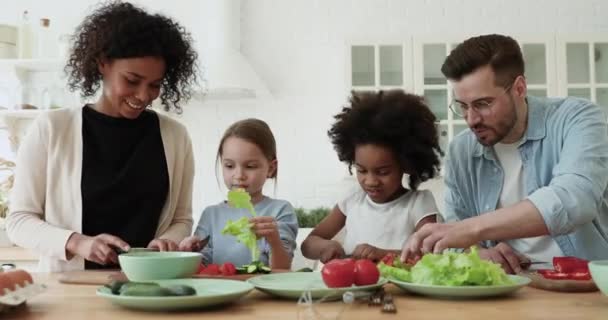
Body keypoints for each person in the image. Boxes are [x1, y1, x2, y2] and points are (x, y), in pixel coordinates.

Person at [6, 1, 199, 271]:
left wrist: (166, 242)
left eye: (154, 85)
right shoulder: (51, 129)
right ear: (102, 64)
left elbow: (181, 219)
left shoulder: (176, 137)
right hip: (72, 292)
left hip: (153, 286)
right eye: (132, 81)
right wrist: (77, 242)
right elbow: (19, 221)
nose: (144, 96)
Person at [401, 34, 608, 274]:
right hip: (504, 286)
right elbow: (456, 231)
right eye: (463, 106)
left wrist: (472, 229)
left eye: (483, 104)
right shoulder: (462, 150)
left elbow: (575, 199)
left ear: (519, 88)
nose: (471, 119)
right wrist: (477, 251)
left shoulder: (577, 118)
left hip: (584, 284)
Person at [301, 90, 443, 263]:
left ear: (405, 164)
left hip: (398, 289)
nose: (370, 181)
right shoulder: (352, 199)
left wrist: (383, 254)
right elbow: (308, 244)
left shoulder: (418, 204)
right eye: (361, 170)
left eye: (383, 172)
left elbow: (431, 253)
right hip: (353, 288)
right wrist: (325, 247)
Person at [180, 119, 298, 269]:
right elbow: (201, 266)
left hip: (261, 292)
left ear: (271, 168)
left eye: (250, 166)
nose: (239, 175)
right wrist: (187, 252)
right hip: (220, 290)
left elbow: (282, 269)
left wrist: (274, 240)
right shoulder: (211, 214)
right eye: (229, 166)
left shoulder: (281, 210)